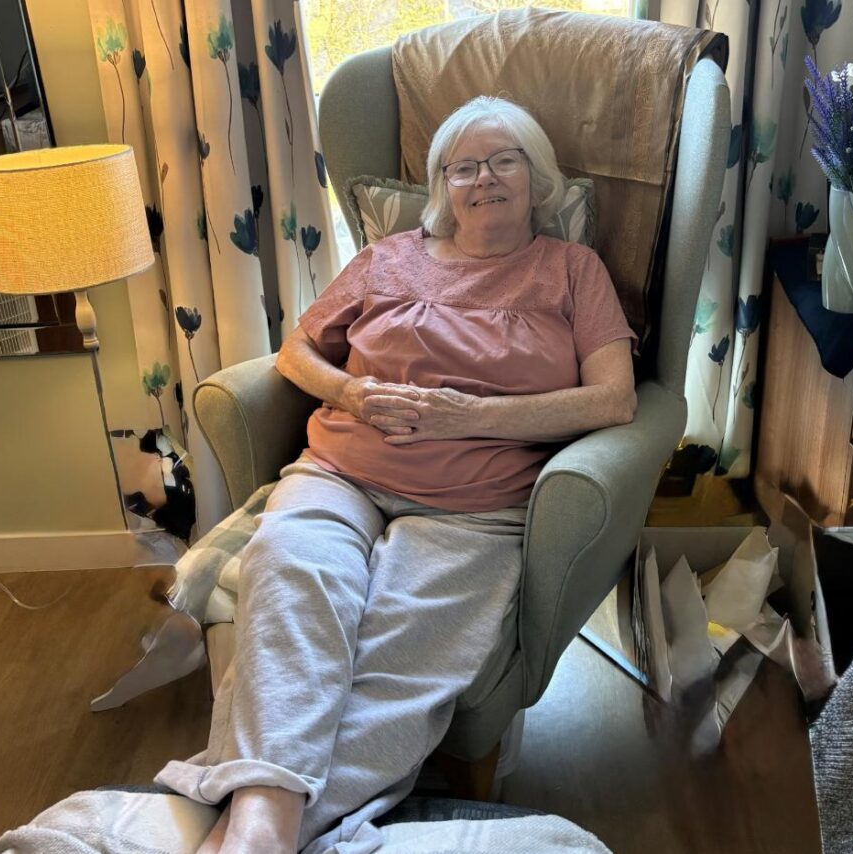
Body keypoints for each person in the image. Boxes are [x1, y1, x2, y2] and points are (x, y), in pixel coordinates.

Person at [155, 95, 638, 854]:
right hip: (341, 472)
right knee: (290, 579)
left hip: (473, 507)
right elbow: (295, 354)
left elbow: (614, 400)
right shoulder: (388, 258)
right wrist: (350, 390)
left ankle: (250, 835)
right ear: (442, 187)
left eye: (504, 159)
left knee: (403, 652)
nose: (485, 178)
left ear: (537, 176)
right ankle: (266, 828)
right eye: (464, 166)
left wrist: (464, 416)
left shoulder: (572, 271)